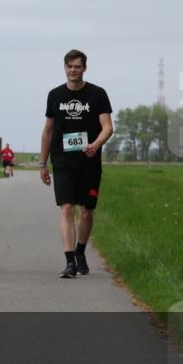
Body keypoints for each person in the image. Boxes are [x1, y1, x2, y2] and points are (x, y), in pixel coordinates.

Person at [39, 50, 113, 278]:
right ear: (64, 67)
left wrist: (96, 144)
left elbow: (107, 127)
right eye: (70, 66)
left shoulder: (98, 94)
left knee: (87, 211)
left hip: (89, 162)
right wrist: (43, 163)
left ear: (84, 68)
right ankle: (70, 261)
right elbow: (48, 130)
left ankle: (81, 250)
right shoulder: (55, 95)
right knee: (67, 208)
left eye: (77, 66)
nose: (73, 70)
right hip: (62, 160)